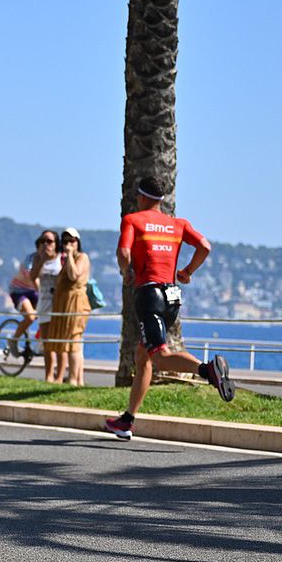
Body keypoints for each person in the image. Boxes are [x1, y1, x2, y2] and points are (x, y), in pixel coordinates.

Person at [105, 176, 235, 441]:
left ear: (141, 197)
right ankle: (126, 420)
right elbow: (204, 246)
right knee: (143, 357)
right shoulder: (178, 223)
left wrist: (126, 272)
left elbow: (124, 253)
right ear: (162, 200)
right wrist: (187, 271)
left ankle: (207, 370)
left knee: (160, 356)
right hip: (172, 295)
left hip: (149, 293)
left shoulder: (133, 220)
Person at [44, 227, 91, 385]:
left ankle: (73, 379)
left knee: (73, 341)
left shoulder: (82, 257)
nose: (68, 244)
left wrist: (70, 254)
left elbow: (74, 275)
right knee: (68, 341)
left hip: (76, 303)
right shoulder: (67, 260)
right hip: (64, 304)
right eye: (65, 242)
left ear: (78, 242)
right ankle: (78, 379)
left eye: (72, 241)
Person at [29, 229, 63, 382]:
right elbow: (32, 276)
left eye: (49, 241)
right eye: (42, 241)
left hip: (59, 305)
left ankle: (60, 376)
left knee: (60, 343)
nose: (45, 244)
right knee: (47, 342)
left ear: (56, 243)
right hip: (44, 303)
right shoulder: (38, 259)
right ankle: (48, 375)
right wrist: (42, 260)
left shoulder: (61, 259)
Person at [5, 237, 41, 354]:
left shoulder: (53, 260)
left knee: (47, 316)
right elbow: (32, 278)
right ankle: (14, 340)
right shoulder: (30, 259)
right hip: (19, 291)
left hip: (34, 292)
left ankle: (40, 342)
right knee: (30, 317)